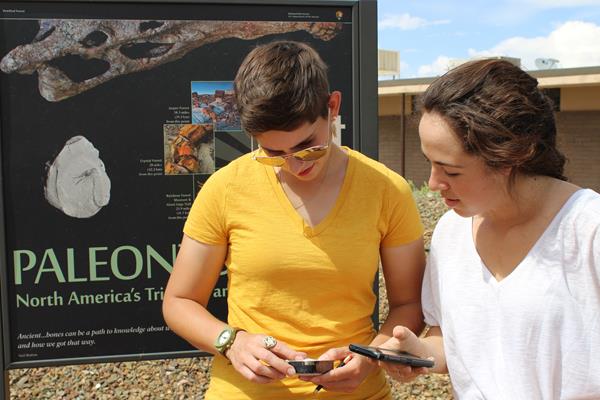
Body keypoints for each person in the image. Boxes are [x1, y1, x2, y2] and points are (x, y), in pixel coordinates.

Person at [162, 40, 427, 399]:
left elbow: (409, 305)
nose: (295, 164)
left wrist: (371, 357)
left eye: (309, 147)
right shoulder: (225, 188)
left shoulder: (385, 190)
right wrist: (231, 342)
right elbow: (179, 301)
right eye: (272, 153)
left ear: (332, 107)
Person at [376, 59, 600, 399]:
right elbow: (447, 340)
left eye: (451, 171)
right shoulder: (451, 233)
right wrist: (420, 353)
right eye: (430, 163)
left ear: (511, 157)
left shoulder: (589, 230)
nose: (434, 183)